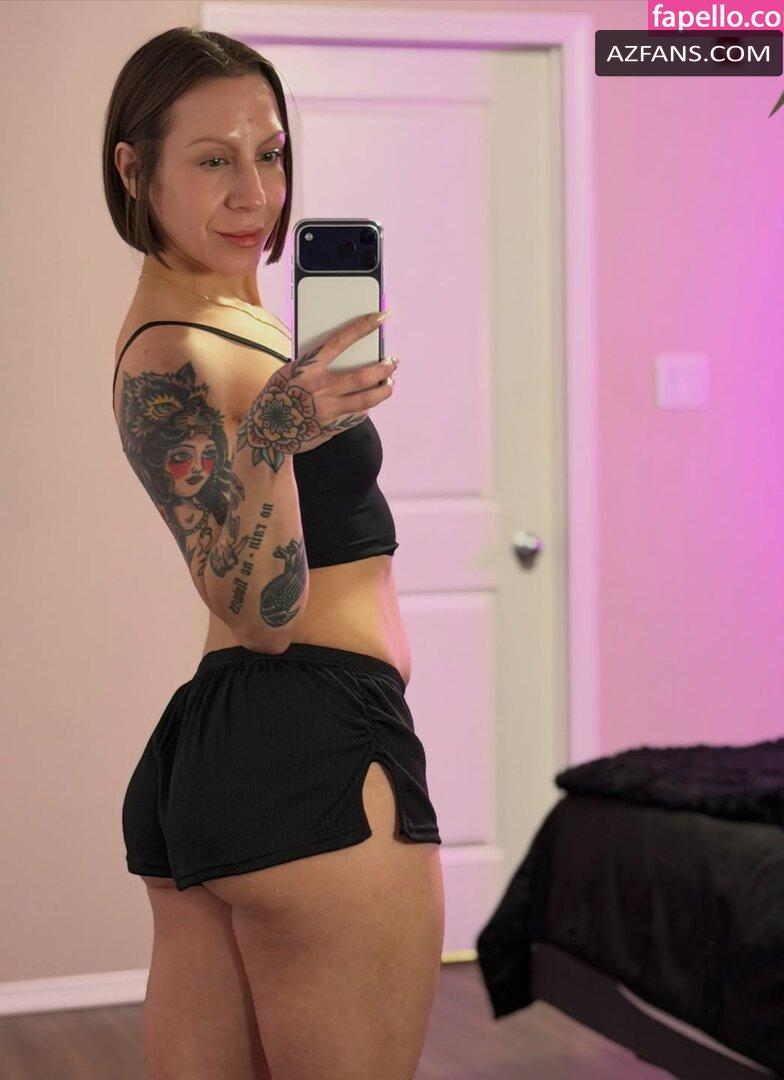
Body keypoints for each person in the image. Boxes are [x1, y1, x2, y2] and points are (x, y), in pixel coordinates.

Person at [104, 27, 444, 1080]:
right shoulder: (175, 348)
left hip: (231, 746)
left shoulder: (227, 313)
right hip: (316, 748)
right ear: (135, 170)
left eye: (271, 153)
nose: (255, 192)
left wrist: (283, 423)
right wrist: (270, 438)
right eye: (214, 159)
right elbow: (261, 612)